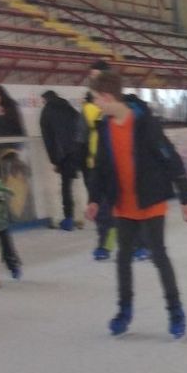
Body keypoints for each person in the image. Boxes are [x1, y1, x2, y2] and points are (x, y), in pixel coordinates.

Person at [85, 69, 187, 339]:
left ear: (108, 96)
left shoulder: (145, 124)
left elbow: (170, 158)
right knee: (122, 258)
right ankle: (124, 311)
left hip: (150, 201)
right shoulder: (105, 127)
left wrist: (186, 198)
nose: (95, 103)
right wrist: (94, 199)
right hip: (123, 205)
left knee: (158, 255)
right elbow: (100, 168)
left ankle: (175, 311)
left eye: (96, 98)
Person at [39, 90, 84, 231]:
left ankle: (68, 219)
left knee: (65, 187)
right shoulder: (69, 107)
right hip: (77, 151)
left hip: (62, 154)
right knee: (79, 185)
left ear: (46, 99)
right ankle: (80, 218)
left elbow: (49, 139)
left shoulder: (47, 112)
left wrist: (54, 161)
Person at [81, 90, 113, 259]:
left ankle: (141, 244)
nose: (96, 102)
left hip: (112, 169)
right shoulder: (99, 119)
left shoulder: (124, 118)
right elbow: (80, 139)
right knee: (105, 211)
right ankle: (106, 245)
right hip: (100, 167)